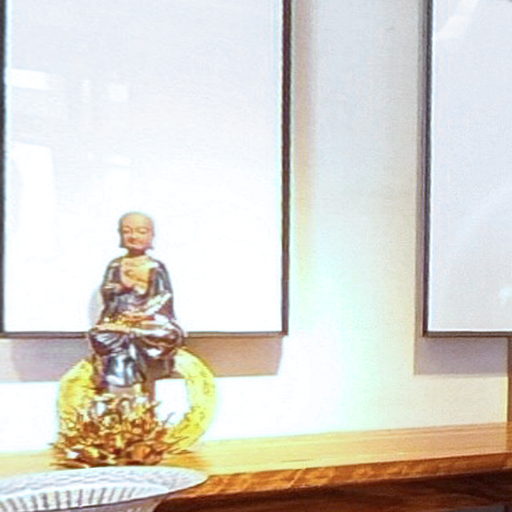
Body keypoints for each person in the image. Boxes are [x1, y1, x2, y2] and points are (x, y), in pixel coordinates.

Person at [88, 212, 184, 392]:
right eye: (127, 231)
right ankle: (118, 386)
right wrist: (120, 288)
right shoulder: (116, 265)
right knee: (99, 335)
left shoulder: (155, 267)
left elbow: (164, 295)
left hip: (148, 322)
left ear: (151, 235)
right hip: (119, 320)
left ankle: (145, 375)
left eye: (141, 231)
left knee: (167, 335)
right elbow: (107, 291)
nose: (134, 236)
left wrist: (145, 313)